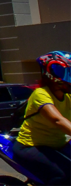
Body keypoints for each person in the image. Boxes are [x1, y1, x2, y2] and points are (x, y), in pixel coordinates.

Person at [13, 51, 71, 186]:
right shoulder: (41, 94)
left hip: (57, 145)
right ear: (52, 74)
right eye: (66, 73)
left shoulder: (67, 97)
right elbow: (58, 120)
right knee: (63, 175)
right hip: (30, 147)